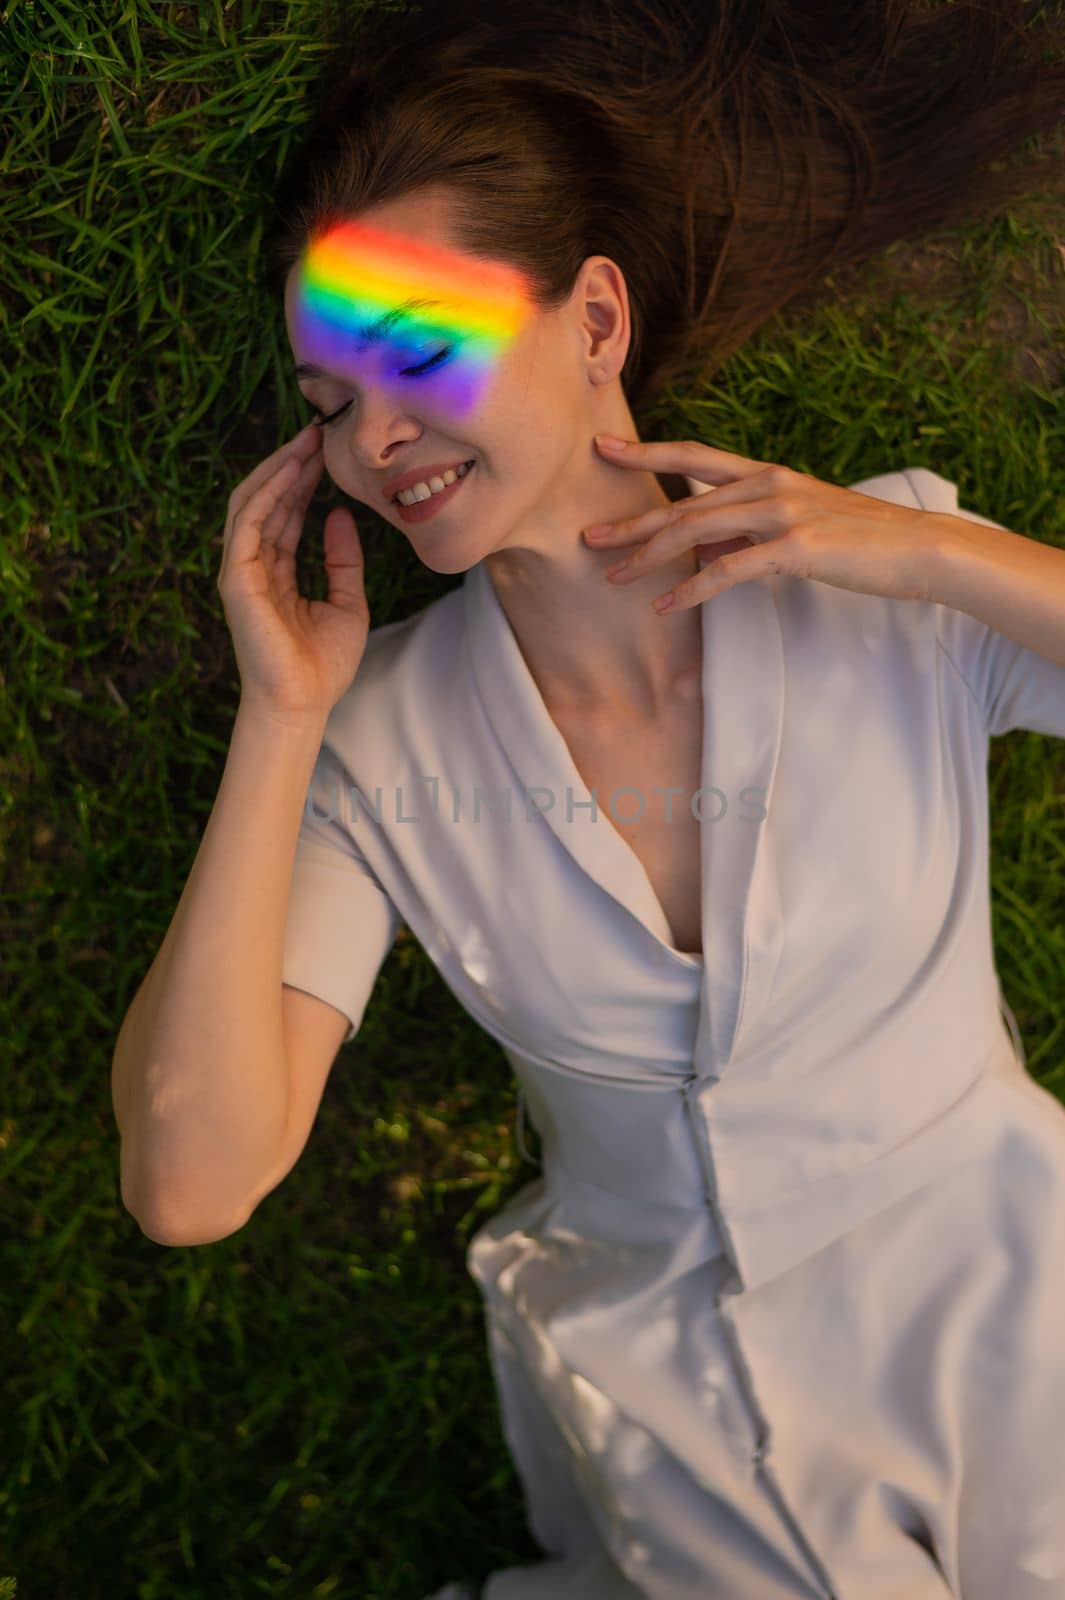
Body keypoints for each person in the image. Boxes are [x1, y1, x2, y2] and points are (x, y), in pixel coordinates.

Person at [111, 1, 1065, 1595]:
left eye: (417, 355)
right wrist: (280, 717)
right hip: (677, 1385)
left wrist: (925, 551)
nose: (374, 441)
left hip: (1004, 1281)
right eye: (328, 402)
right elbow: (191, 1183)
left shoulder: (885, 579)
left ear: (594, 321)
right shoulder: (379, 742)